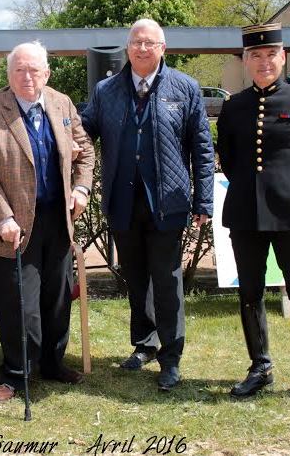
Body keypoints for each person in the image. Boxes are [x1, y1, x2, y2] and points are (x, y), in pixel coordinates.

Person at [81, 19, 214, 390]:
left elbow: (202, 149)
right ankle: (145, 343)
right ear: (127, 48)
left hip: (167, 203)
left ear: (163, 48)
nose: (142, 49)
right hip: (123, 202)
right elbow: (83, 130)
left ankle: (171, 357)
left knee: (167, 280)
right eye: (136, 42)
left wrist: (203, 199)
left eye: (149, 43)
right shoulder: (106, 89)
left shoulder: (184, 88)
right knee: (136, 278)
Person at [0, 41, 95, 404]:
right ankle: (16, 372)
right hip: (10, 226)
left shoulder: (61, 103)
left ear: (46, 73)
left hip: (57, 219)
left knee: (57, 297)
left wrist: (83, 189)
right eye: (19, 69)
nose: (27, 76)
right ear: (9, 74)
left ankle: (53, 363)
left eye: (34, 70)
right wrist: (4, 217)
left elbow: (84, 151)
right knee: (17, 304)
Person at [216, 23, 290, 408]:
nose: (263, 62)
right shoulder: (233, 107)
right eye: (256, 56)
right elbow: (229, 159)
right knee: (250, 293)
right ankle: (260, 366)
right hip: (246, 213)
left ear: (283, 58)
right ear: (246, 61)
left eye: (271, 55)